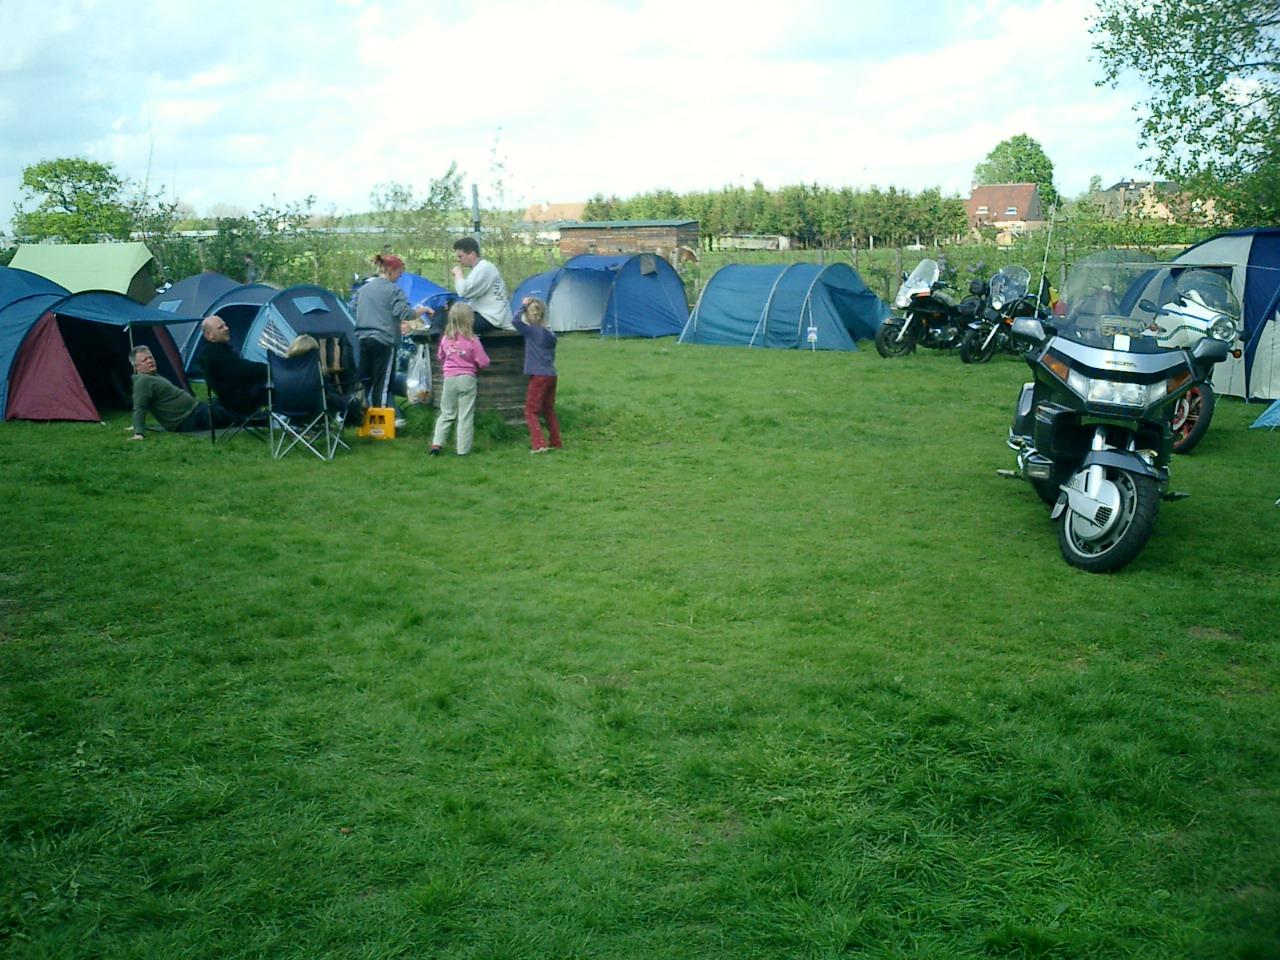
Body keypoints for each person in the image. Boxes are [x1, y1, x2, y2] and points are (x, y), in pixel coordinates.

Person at [353, 253, 426, 408]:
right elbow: (406, 313)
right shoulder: (394, 290)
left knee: (364, 381)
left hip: (364, 339)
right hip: (384, 340)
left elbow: (353, 307)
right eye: (399, 273)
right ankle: (380, 417)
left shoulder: (363, 289)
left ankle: (355, 414)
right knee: (383, 383)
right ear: (390, 271)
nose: (400, 277)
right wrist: (422, 310)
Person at [429, 302, 490, 457]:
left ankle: (437, 444)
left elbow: (441, 356)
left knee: (447, 412)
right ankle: (463, 449)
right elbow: (483, 361)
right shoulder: (473, 340)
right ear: (469, 319)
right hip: (467, 378)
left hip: (450, 378)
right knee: (465, 415)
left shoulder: (445, 339)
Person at [129, 345, 227, 439]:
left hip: (195, 411)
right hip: (189, 419)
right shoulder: (142, 381)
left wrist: (135, 425)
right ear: (136, 367)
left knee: (224, 400)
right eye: (144, 360)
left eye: (150, 357)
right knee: (229, 411)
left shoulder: (152, 376)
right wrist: (139, 432)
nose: (150, 361)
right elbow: (139, 406)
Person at [512, 296, 562, 453]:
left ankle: (539, 444)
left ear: (529, 315)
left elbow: (515, 321)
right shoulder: (550, 334)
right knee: (548, 409)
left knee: (531, 410)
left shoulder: (531, 331)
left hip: (538, 375)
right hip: (551, 374)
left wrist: (522, 306)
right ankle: (556, 441)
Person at [434, 237, 513, 334]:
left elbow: (463, 291)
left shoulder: (484, 268)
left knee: (444, 319)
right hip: (488, 316)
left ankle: (432, 340)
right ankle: (434, 338)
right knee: (442, 312)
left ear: (472, 254)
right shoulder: (481, 268)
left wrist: (458, 274)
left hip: (491, 319)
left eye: (460, 256)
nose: (458, 260)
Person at [285, 334, 364, 425]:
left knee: (330, 395)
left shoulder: (284, 369)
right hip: (316, 411)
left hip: (289, 412)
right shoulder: (314, 372)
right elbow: (328, 391)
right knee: (332, 396)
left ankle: (350, 403)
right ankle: (352, 406)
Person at [200, 314, 268, 414]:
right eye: (220, 327)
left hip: (233, 399)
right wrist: (270, 369)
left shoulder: (217, 351)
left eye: (225, 325)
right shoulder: (215, 356)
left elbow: (242, 366)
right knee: (279, 385)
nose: (226, 328)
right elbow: (243, 371)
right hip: (241, 402)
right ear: (210, 335)